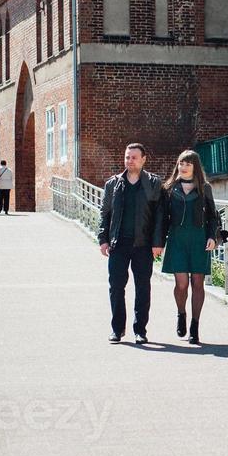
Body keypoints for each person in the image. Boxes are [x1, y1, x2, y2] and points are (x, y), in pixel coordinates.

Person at [98, 143, 165, 345]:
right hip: (118, 244)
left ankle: (140, 330)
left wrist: (158, 243)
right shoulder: (113, 184)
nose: (130, 161)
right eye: (127, 157)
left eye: (134, 157)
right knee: (116, 287)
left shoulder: (153, 183)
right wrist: (103, 239)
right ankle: (117, 329)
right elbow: (105, 213)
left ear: (144, 159)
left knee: (142, 287)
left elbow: (160, 216)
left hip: (144, 245)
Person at [160, 149, 220, 346]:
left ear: (195, 167)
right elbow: (161, 218)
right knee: (181, 284)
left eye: (188, 164)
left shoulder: (205, 188)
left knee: (197, 283)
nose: (183, 167)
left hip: (199, 240)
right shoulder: (169, 188)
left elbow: (213, 216)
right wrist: (158, 242)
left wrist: (212, 236)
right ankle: (181, 313)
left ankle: (195, 326)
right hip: (177, 239)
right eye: (181, 163)